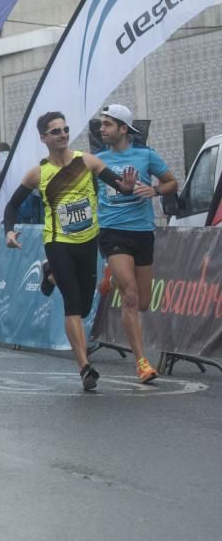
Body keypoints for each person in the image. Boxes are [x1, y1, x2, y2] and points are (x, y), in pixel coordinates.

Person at [3, 110, 136, 392]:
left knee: (86, 304)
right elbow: (12, 206)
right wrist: (9, 230)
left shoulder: (87, 161)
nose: (62, 134)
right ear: (43, 138)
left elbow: (121, 187)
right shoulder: (38, 173)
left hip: (88, 241)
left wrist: (127, 186)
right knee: (73, 303)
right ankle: (84, 366)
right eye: (55, 131)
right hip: (58, 242)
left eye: (65, 129)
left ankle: (49, 275)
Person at [96, 104, 177, 384]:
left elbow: (172, 183)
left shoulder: (145, 156)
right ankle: (142, 363)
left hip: (142, 232)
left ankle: (112, 276)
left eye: (107, 124)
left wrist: (153, 189)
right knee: (130, 297)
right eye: (101, 124)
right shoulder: (98, 160)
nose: (101, 129)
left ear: (123, 128)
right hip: (111, 231)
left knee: (143, 302)